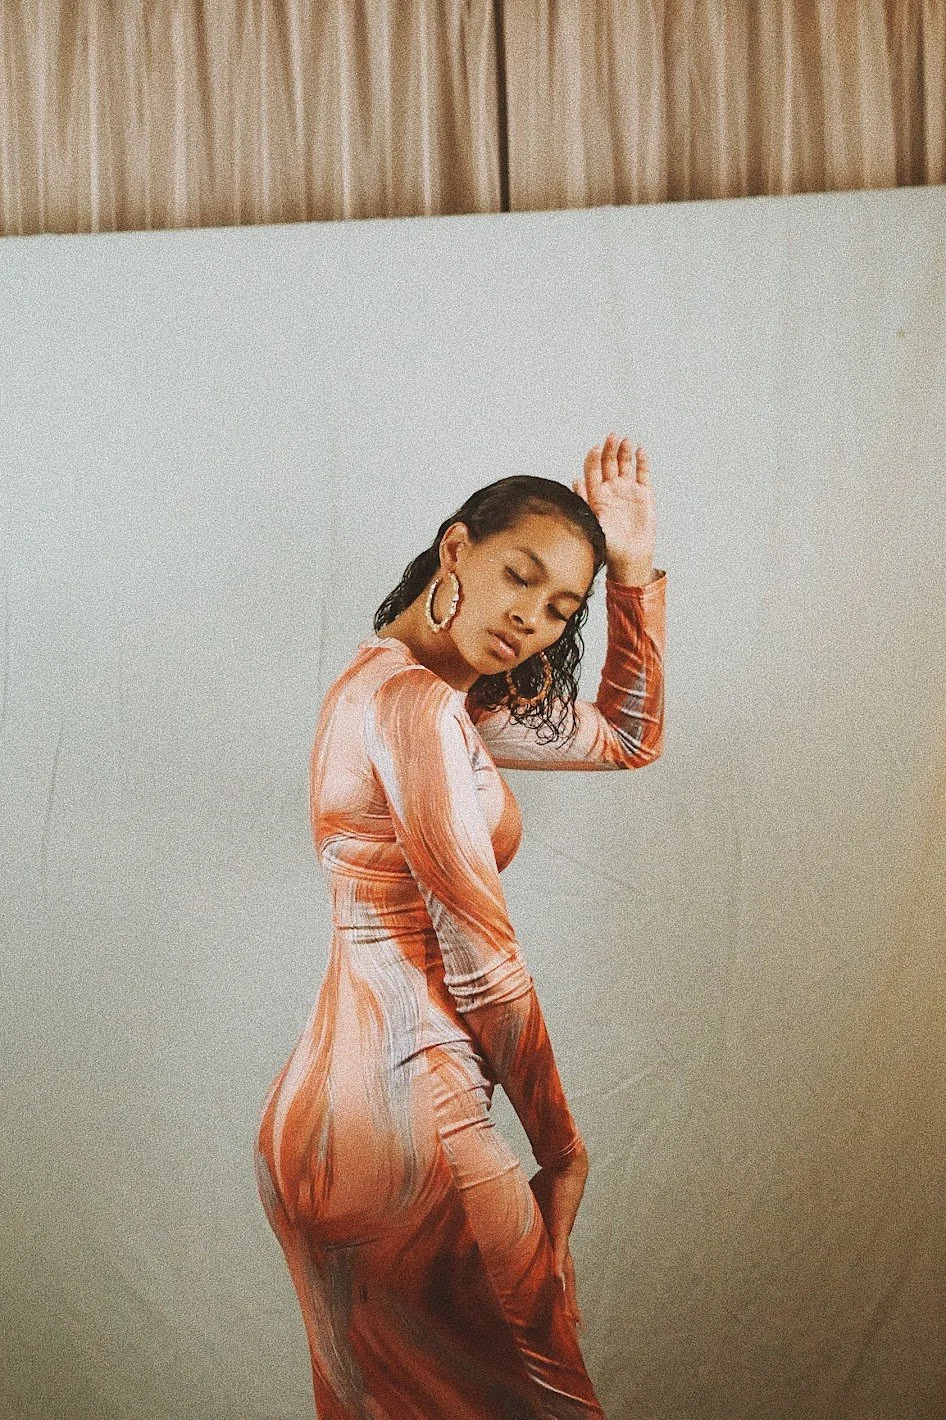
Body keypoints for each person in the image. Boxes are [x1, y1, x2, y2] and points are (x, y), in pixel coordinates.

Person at [254, 431, 666, 1418]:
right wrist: (560, 1146)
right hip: (412, 1128)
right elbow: (481, 962)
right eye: (518, 577)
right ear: (454, 551)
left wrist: (633, 572)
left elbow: (628, 740)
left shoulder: (409, 692)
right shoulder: (417, 711)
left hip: (313, 1135)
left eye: (560, 607)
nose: (531, 619)